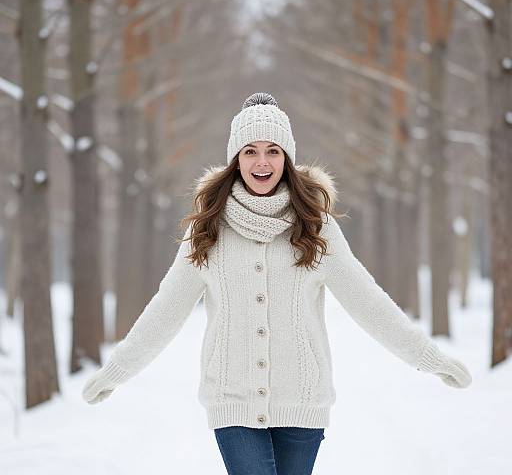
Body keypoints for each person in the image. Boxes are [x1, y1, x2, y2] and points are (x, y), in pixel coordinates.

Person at [82, 92, 472, 475]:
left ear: (287, 158)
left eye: (273, 150)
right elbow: (165, 310)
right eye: (250, 151)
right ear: (236, 160)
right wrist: (116, 370)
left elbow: (369, 304)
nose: (262, 162)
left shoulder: (318, 229)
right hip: (231, 402)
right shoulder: (207, 231)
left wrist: (430, 359)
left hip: (302, 401)